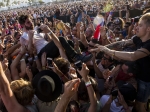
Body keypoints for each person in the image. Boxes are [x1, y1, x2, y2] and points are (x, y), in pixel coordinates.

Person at [89, 12, 150, 112]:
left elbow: (133, 56)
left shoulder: (149, 45)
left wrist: (107, 50)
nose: (136, 27)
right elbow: (121, 43)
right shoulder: (138, 38)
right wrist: (103, 48)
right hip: (135, 75)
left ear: (148, 29)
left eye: (140, 25)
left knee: (140, 105)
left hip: (145, 80)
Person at [18, 15, 93, 63]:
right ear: (22, 25)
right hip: (42, 53)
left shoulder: (36, 29)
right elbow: (30, 52)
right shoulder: (23, 37)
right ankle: (77, 57)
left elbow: (50, 40)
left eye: (31, 21)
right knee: (61, 39)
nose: (31, 23)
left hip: (49, 47)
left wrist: (47, 32)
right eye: (28, 22)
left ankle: (75, 62)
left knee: (69, 42)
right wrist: (30, 38)